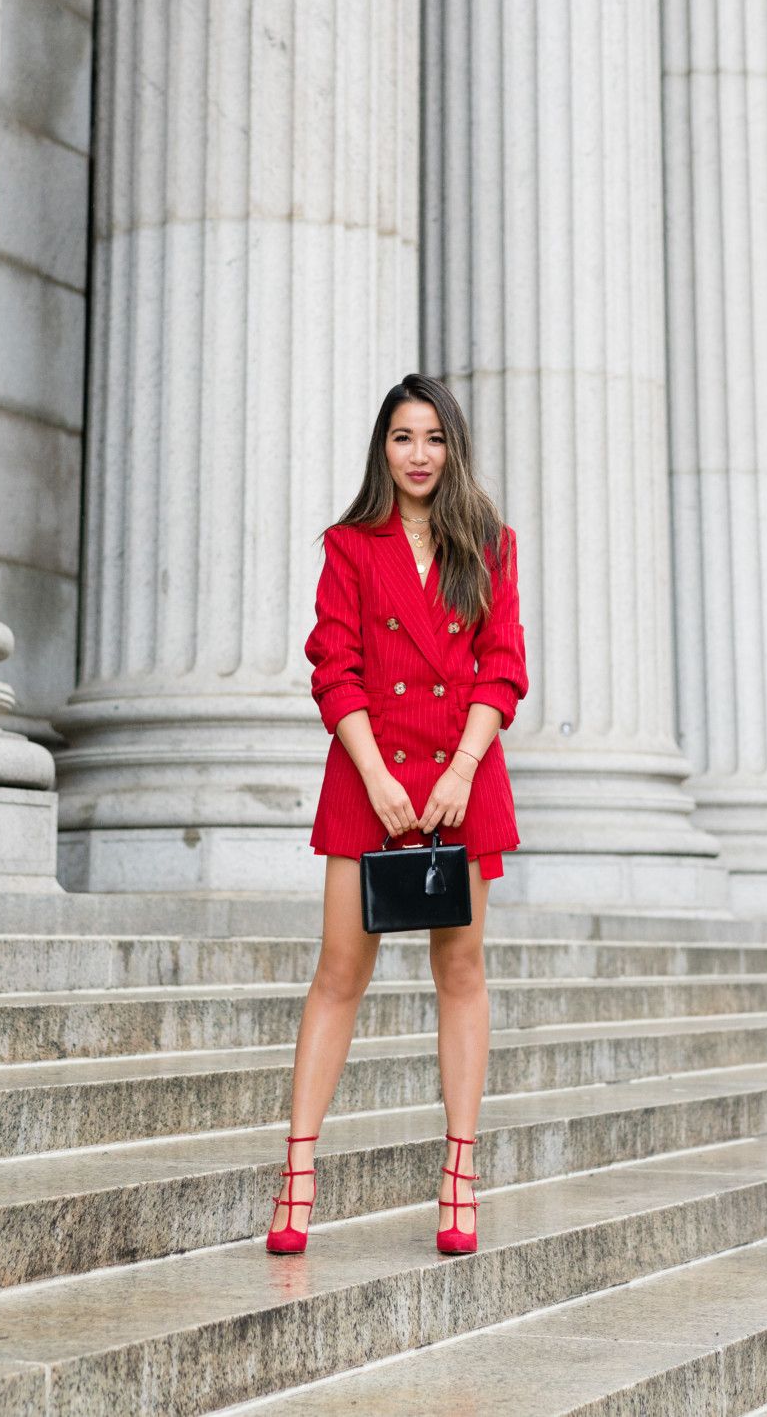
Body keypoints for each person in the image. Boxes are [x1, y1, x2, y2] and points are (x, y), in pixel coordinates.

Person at [266, 372, 529, 1257]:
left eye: (434, 438)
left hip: (464, 778)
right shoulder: (349, 546)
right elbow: (332, 666)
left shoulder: (489, 545)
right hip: (366, 777)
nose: (419, 455)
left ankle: (460, 1176)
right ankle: (298, 1171)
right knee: (339, 971)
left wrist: (458, 771)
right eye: (402, 438)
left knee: (461, 974)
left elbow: (503, 667)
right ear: (383, 449)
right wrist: (377, 777)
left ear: (454, 449)